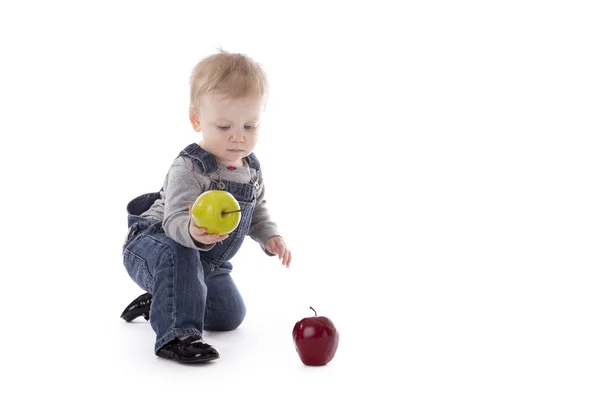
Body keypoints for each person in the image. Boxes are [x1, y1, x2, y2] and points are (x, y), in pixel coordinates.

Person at [120, 50, 292, 364]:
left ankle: (166, 298)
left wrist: (270, 237)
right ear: (197, 119)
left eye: (250, 127)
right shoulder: (190, 168)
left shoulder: (250, 168)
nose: (238, 137)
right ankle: (176, 336)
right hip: (155, 243)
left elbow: (257, 210)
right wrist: (191, 231)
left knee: (229, 315)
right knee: (180, 250)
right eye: (224, 127)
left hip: (204, 264)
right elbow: (173, 220)